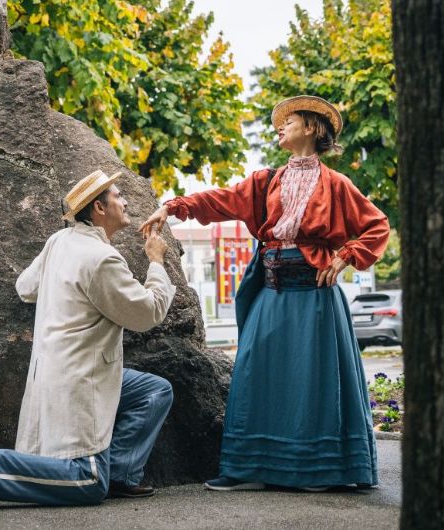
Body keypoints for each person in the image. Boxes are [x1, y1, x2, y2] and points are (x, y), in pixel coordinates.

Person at [141, 96, 390, 492]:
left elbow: (377, 226)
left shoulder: (337, 185)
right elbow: (220, 199)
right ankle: (247, 468)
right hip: (271, 292)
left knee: (313, 382)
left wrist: (345, 257)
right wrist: (172, 207)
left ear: (311, 127)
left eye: (287, 121)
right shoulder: (266, 182)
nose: (279, 127)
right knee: (254, 370)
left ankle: (316, 471)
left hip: (314, 298)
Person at [0, 170, 176, 510]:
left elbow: (24, 288)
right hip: (80, 379)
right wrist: (156, 262)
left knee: (153, 390)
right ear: (99, 209)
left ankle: (118, 474)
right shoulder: (102, 259)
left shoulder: (59, 242)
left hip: (55, 371)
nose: (126, 200)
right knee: (87, 482)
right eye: (118, 196)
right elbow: (147, 314)